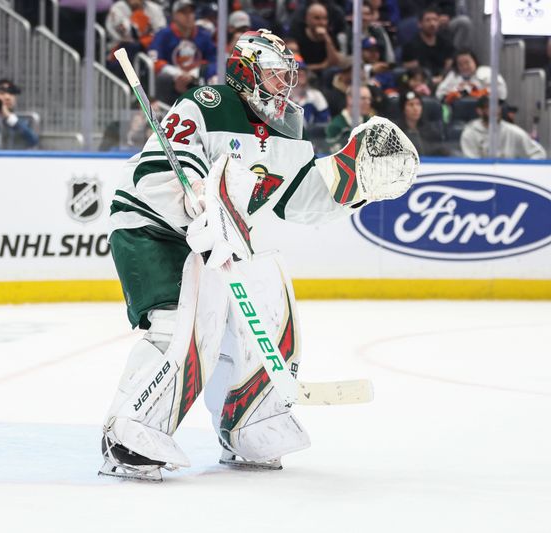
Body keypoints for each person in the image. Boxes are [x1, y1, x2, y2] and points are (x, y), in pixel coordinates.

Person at [100, 29, 416, 481]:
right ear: (246, 71)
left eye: (287, 77)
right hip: (155, 228)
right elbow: (164, 163)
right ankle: (130, 433)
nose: (283, 86)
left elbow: (297, 198)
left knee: (266, 310)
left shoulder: (287, 128)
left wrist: (353, 181)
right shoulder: (208, 102)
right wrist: (193, 199)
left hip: (225, 238)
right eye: (273, 76)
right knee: (181, 326)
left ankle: (250, 424)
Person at [148, 0, 217, 105]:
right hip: (172, 81)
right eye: (183, 12)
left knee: (215, 78)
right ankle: (163, 114)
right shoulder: (163, 35)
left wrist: (194, 74)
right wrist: (178, 74)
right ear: (174, 15)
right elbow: (154, 60)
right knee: (163, 79)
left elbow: (215, 62)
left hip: (197, 79)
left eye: (191, 12)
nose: (188, 16)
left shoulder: (204, 36)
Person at [460, 96, 546, 160]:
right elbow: (472, 163)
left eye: (497, 106)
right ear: (479, 111)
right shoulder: (470, 133)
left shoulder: (513, 131)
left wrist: (523, 171)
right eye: (490, 107)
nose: (496, 110)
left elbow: (539, 154)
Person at [401, 6, 454, 86]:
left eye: (435, 20)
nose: (432, 24)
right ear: (420, 24)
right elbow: (409, 67)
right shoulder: (411, 45)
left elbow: (450, 64)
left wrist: (442, 77)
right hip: (421, 83)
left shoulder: (445, 42)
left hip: (444, 81)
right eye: (428, 20)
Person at [105, 0, 166, 69]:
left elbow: (161, 31)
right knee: (132, 46)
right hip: (119, 47)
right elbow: (126, 33)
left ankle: (154, 72)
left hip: (147, 45)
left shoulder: (153, 8)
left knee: (157, 48)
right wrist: (137, 16)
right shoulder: (118, 8)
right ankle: (124, 77)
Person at [435, 49, 507, 105]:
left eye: (467, 62)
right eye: (460, 64)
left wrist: (480, 93)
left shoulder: (486, 72)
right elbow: (440, 94)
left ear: (474, 61)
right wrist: (453, 95)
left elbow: (501, 93)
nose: (464, 67)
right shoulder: (453, 76)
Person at [290, 2, 345, 74]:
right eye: (317, 18)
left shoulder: (330, 34)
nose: (322, 23)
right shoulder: (298, 34)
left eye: (325, 19)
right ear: (307, 19)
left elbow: (335, 63)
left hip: (325, 74)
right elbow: (296, 65)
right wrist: (321, 66)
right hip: (302, 74)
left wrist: (327, 39)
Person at [397, 91, 448, 156]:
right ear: (403, 109)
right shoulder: (396, 131)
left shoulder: (431, 131)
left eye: (418, 104)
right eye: (411, 104)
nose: (415, 108)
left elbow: (441, 149)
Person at [326, 84, 373, 151]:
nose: (368, 102)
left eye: (369, 99)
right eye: (363, 98)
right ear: (350, 99)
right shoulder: (335, 126)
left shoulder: (370, 123)